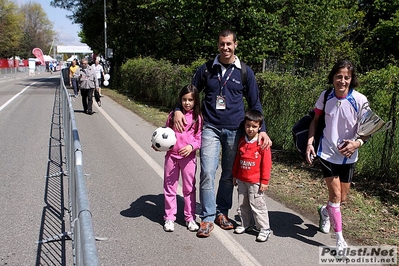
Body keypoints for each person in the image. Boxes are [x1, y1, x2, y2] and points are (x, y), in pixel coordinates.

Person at [173, 29, 272, 238]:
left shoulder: (245, 72)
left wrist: (262, 131)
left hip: (235, 130)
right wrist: (177, 110)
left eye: (229, 44)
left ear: (236, 44)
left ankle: (222, 212)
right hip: (210, 127)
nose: (225, 48)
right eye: (222, 44)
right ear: (218, 45)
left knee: (228, 175)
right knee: (208, 171)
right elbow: (190, 93)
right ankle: (208, 217)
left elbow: (255, 103)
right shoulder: (207, 69)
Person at [306, 60, 369, 253]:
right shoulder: (325, 96)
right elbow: (315, 121)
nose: (342, 81)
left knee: (342, 200)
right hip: (327, 153)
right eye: (339, 76)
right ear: (333, 77)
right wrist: (310, 142)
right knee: (335, 196)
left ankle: (325, 211)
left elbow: (368, 130)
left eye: (346, 77)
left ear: (352, 79)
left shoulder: (360, 100)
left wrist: (356, 143)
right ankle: (339, 239)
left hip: (349, 156)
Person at [154, 85, 202, 232]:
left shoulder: (197, 118)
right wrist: (158, 145)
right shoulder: (173, 115)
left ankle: (190, 218)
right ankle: (169, 217)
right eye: (184, 99)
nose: (187, 103)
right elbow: (164, 133)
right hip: (171, 158)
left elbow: (199, 139)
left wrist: (191, 147)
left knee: (189, 189)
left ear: (195, 101)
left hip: (188, 159)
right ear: (180, 100)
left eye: (190, 100)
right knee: (169, 188)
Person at [232, 110, 272, 242]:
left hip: (255, 182)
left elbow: (266, 164)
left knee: (257, 205)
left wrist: (264, 181)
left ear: (260, 127)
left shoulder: (262, 143)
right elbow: (238, 159)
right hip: (242, 179)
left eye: (254, 126)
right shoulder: (242, 141)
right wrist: (235, 175)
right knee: (242, 203)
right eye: (248, 125)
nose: (250, 129)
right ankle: (246, 223)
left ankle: (264, 228)